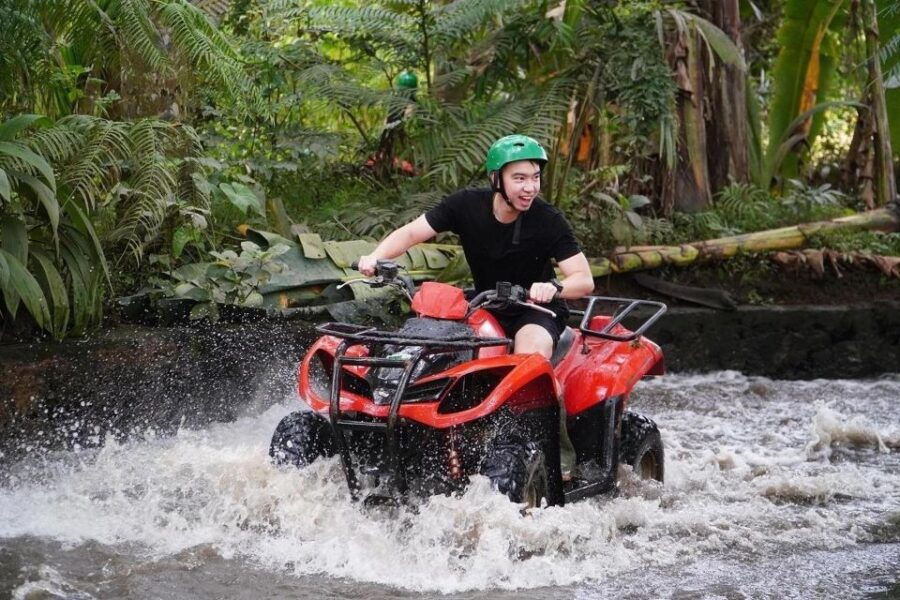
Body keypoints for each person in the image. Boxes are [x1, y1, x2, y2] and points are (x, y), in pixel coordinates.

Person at [357, 134, 594, 358]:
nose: (531, 187)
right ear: (496, 179)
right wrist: (376, 256)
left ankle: (549, 398)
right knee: (427, 342)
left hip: (536, 309)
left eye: (535, 177)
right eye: (520, 178)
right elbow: (410, 233)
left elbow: (583, 279)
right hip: (483, 303)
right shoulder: (465, 205)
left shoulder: (548, 219)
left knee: (528, 354)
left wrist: (554, 287)